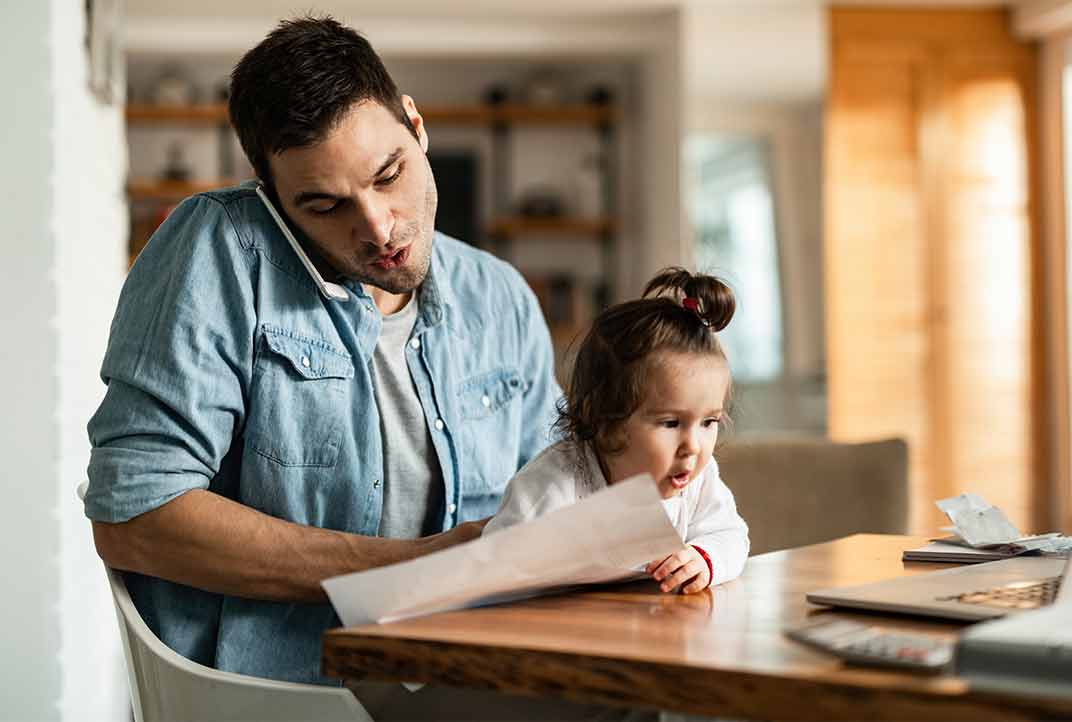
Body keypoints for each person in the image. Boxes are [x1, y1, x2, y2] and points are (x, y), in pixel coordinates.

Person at [83, 16, 562, 687]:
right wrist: (413, 567)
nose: (377, 226)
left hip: (466, 675)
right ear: (272, 197)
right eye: (324, 205)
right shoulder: (220, 250)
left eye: (389, 174)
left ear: (416, 125)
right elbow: (136, 515)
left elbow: (560, 492)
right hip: (282, 692)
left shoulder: (499, 297)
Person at [484, 268, 750, 594]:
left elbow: (732, 535)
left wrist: (703, 559)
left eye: (709, 422)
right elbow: (492, 568)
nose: (693, 446)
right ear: (604, 421)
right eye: (670, 423)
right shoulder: (554, 485)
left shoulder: (698, 480)